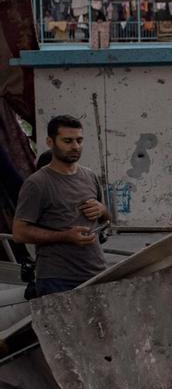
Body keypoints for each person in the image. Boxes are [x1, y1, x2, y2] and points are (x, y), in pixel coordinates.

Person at [13, 115, 109, 296]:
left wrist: (103, 210)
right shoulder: (37, 184)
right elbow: (19, 233)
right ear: (50, 142)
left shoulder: (90, 176)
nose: (75, 146)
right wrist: (65, 236)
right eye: (68, 141)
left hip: (96, 272)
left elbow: (107, 220)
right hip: (57, 279)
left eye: (79, 140)